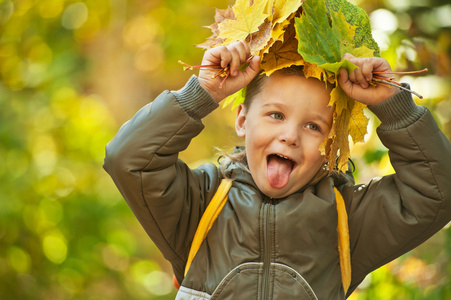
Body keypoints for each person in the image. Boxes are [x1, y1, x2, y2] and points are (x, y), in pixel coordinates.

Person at [103, 41, 451, 299]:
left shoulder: (349, 221)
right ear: (242, 119)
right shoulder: (200, 204)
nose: (290, 136)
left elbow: (438, 192)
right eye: (276, 115)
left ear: (332, 143)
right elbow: (129, 158)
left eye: (314, 127)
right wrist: (202, 93)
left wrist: (395, 107)